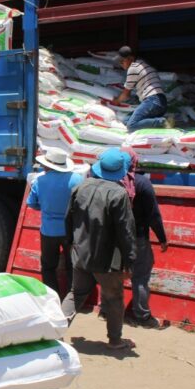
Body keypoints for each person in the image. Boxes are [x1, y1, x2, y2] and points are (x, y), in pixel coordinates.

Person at [61, 148, 137, 350]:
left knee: (75, 293)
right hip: (107, 260)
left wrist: (69, 244)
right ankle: (115, 340)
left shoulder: (80, 187)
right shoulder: (119, 194)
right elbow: (126, 232)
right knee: (114, 298)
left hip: (81, 253)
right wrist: (130, 261)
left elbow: (68, 219)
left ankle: (54, 333)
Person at [120, 147, 168, 329]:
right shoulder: (142, 184)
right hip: (138, 237)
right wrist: (162, 238)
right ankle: (142, 316)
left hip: (114, 238)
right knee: (140, 276)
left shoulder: (109, 182)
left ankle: (108, 311)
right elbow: (153, 214)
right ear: (134, 162)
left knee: (113, 275)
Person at [26, 148, 83, 295]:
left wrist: (44, 207)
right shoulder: (78, 180)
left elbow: (31, 203)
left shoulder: (40, 181)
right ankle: (71, 298)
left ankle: (53, 295)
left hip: (49, 231)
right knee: (72, 265)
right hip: (70, 231)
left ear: (48, 165)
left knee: (48, 266)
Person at [112, 46, 170, 132]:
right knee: (126, 121)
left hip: (152, 101)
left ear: (130, 58)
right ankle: (159, 120)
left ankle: (162, 122)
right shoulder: (143, 64)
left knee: (131, 126)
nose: (121, 64)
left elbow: (126, 94)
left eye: (122, 61)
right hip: (161, 102)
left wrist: (115, 102)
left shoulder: (133, 68)